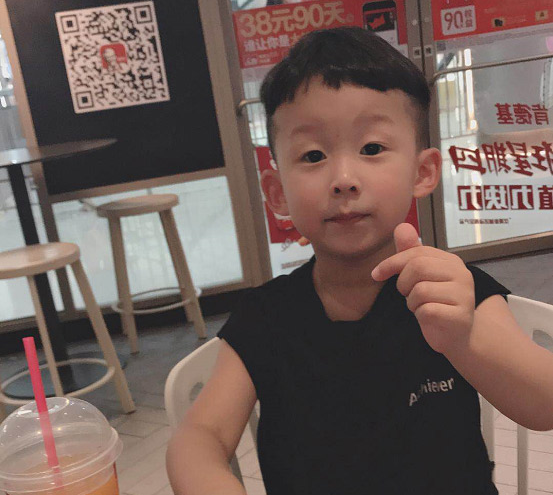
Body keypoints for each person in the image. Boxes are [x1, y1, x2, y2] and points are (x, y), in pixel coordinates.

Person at [167, 27, 553, 495]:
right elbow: (200, 435)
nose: (344, 178)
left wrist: (463, 339)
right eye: (313, 155)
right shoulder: (266, 317)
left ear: (422, 172)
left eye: (372, 148)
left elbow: (544, 404)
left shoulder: (452, 289)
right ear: (277, 192)